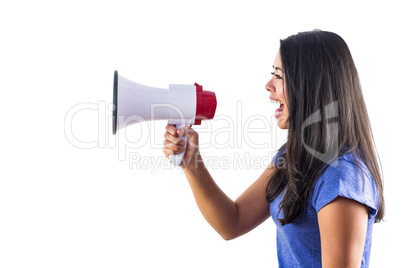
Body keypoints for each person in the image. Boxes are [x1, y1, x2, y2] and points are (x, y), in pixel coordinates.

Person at [162, 30, 384, 267]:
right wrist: (191, 163)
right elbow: (232, 222)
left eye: (280, 76)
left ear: (311, 85)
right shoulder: (292, 156)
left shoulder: (341, 177)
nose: (268, 85)